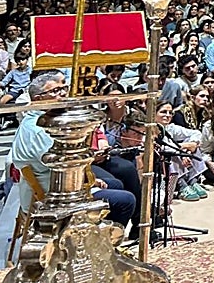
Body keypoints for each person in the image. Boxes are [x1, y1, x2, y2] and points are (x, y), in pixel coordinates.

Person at [11, 71, 137, 228]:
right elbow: (62, 165)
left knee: (116, 183)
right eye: (55, 91)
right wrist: (89, 182)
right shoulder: (40, 127)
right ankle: (98, 238)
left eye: (64, 88)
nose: (63, 94)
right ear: (38, 99)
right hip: (54, 194)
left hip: (54, 182)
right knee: (126, 200)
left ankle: (99, 230)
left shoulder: (40, 119)